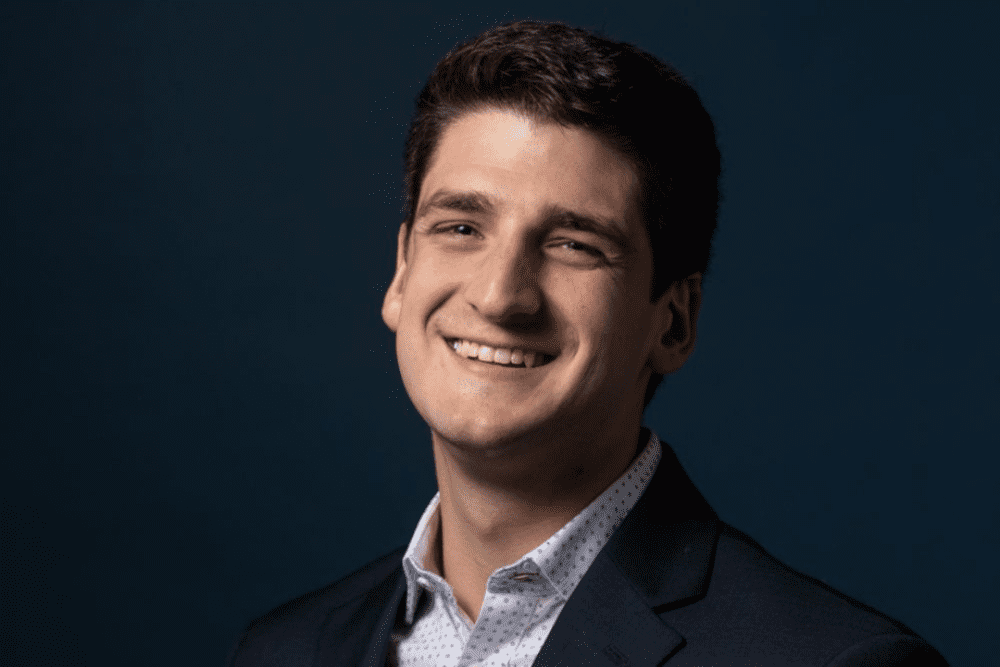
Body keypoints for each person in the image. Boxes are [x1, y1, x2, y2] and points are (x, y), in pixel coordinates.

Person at [226, 21, 948, 667]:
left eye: (574, 244)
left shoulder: (837, 660)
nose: (500, 295)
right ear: (401, 273)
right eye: (461, 228)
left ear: (673, 322)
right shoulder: (285, 649)